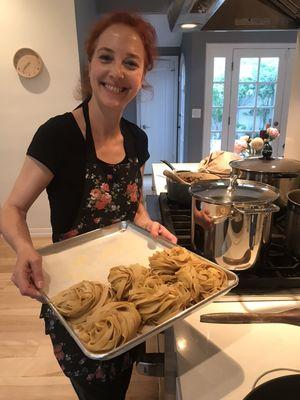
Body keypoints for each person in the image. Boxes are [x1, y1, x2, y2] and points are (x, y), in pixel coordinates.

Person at [0, 12, 177, 400]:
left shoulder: (137, 139)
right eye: (105, 57)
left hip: (125, 288)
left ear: (142, 75)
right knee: (95, 388)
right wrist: (25, 250)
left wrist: (148, 225)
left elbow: (135, 210)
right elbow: (11, 208)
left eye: (131, 62)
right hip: (74, 296)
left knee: (120, 377)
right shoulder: (57, 135)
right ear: (90, 64)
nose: (116, 71)